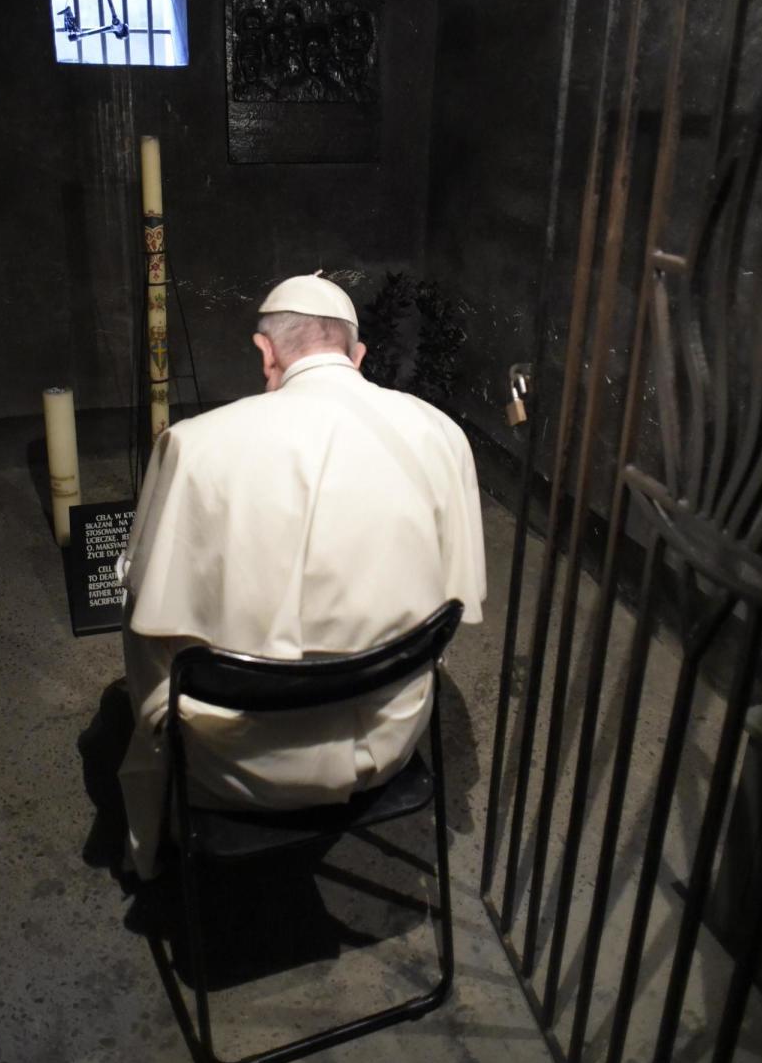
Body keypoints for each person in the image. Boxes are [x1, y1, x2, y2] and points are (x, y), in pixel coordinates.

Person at [114, 272, 486, 879]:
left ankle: (159, 817)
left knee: (141, 605)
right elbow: (458, 599)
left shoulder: (193, 445)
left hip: (241, 764)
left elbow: (146, 599)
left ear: (266, 353)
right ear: (356, 355)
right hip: (387, 744)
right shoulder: (441, 434)